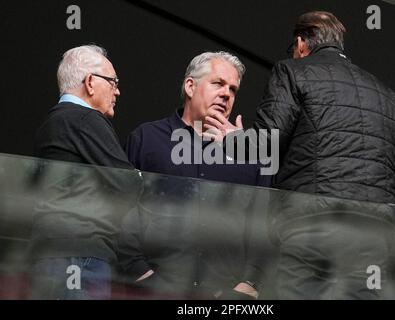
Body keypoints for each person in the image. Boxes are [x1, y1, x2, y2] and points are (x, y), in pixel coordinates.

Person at [206, 11, 395, 299]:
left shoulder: (292, 71)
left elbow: (267, 142)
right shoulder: (389, 96)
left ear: (301, 43)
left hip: (311, 225)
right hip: (372, 232)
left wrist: (233, 139)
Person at [120, 51, 272, 299]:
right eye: (218, 84)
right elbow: (122, 210)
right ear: (190, 86)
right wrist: (141, 274)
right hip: (154, 291)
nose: (226, 94)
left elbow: (264, 225)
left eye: (233, 89)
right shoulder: (147, 138)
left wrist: (248, 285)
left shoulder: (250, 150)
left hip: (227, 297)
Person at [30, 45, 141, 299]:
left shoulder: (50, 123)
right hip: (80, 256)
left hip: (48, 256)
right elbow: (129, 185)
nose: (118, 90)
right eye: (113, 81)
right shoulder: (85, 119)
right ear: (90, 82)